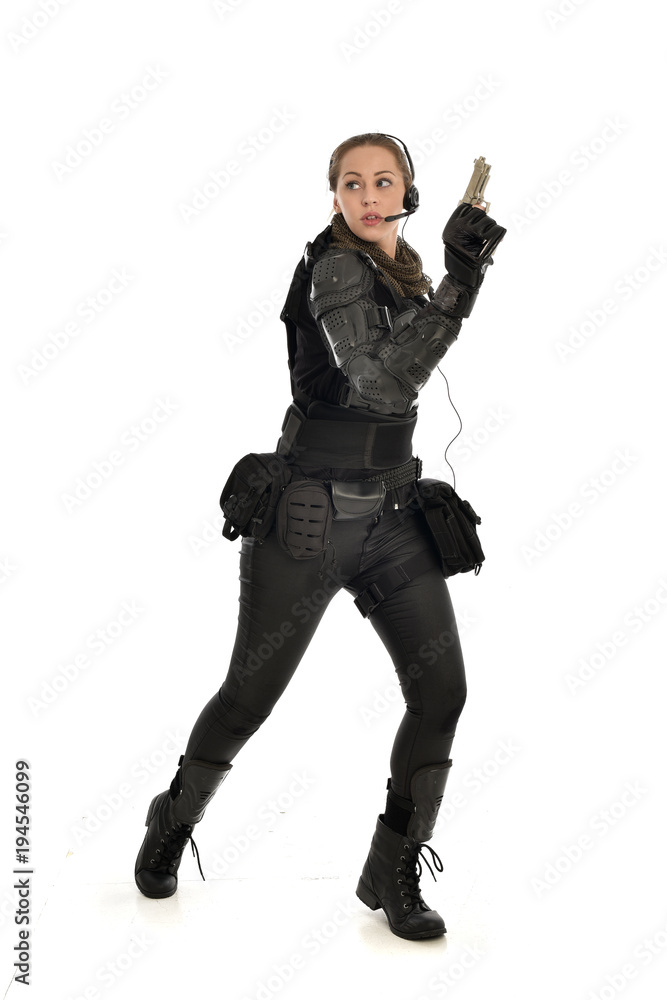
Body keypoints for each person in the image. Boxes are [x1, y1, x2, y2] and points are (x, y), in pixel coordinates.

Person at [134, 132, 505, 941]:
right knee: (247, 699)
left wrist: (448, 277)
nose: (367, 197)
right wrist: (464, 282)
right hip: (307, 520)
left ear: (408, 190)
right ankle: (172, 819)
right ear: (333, 195)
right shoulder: (333, 265)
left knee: (441, 693)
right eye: (350, 184)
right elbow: (377, 382)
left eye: (383, 182)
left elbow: (400, 368)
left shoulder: (402, 269)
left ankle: (392, 866)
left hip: (395, 518)